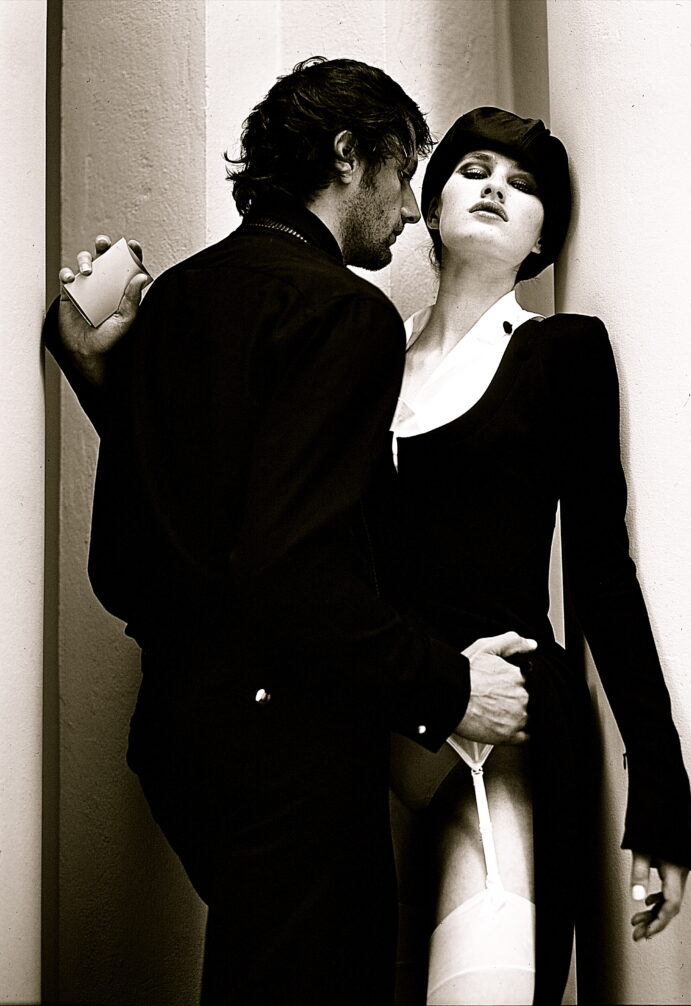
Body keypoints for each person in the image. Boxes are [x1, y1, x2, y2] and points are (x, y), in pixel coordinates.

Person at [45, 62, 538, 1005]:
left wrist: (103, 386)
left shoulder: (180, 296)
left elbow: (184, 529)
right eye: (403, 174)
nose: (409, 211)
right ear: (349, 155)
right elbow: (294, 568)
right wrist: (450, 687)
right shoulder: (345, 314)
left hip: (177, 739)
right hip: (287, 753)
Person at [386, 107, 691, 1005]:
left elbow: (603, 573)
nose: (496, 187)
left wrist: (661, 797)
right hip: (373, 716)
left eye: (523, 186)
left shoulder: (562, 351)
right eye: (475, 170)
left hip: (507, 728)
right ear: (431, 204)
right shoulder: (368, 350)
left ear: (542, 241)